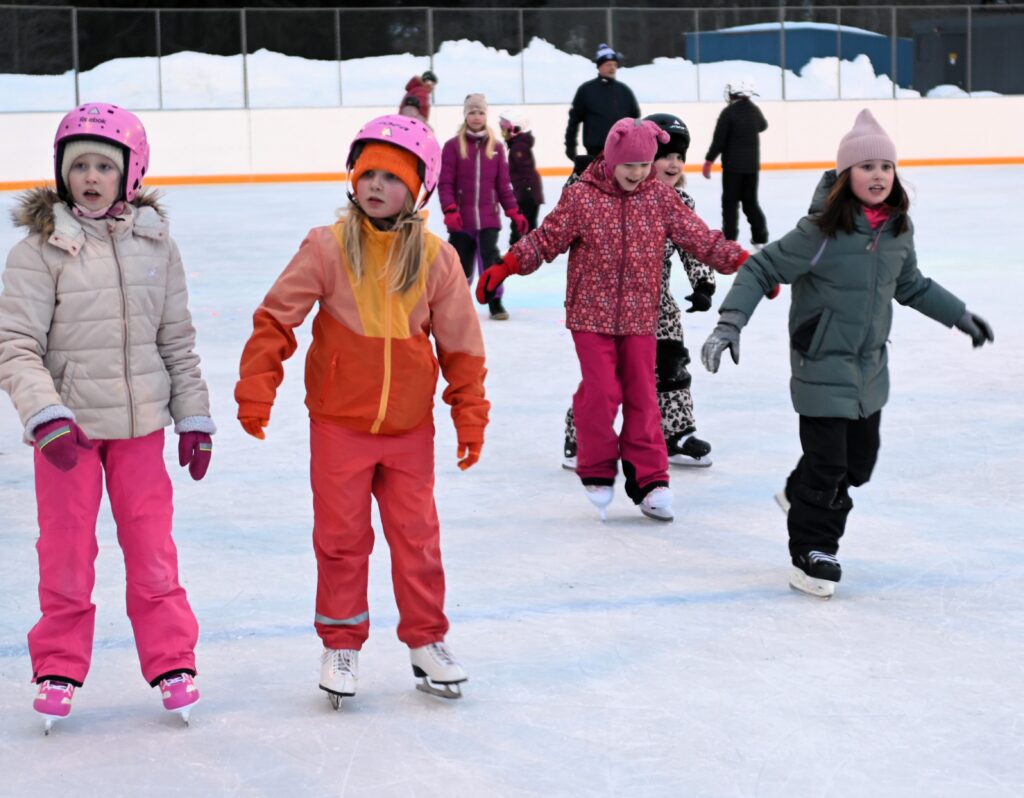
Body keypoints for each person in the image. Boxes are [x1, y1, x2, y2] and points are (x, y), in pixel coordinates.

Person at [235, 114, 489, 706]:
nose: (375, 185)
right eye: (367, 173)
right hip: (339, 426)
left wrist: (469, 414)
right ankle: (341, 642)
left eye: (392, 177)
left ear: (419, 188)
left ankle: (427, 640)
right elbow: (276, 318)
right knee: (342, 539)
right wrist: (257, 387)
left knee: (417, 537)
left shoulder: (435, 258)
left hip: (408, 430)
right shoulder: (326, 247)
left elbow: (461, 346)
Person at [701, 108, 994, 599]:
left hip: (869, 373)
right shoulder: (818, 233)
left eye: (885, 166)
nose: (878, 175)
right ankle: (814, 552)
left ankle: (798, 494)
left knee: (859, 465)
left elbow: (912, 285)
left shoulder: (898, 230)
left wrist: (958, 315)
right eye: (866, 167)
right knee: (829, 469)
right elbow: (758, 270)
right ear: (845, 176)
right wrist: (730, 324)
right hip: (820, 367)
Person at [0, 102, 214, 731]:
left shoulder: (156, 244)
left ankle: (172, 659)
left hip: (142, 428)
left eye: (104, 166)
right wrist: (45, 415)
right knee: (65, 552)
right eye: (79, 166)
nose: (90, 177)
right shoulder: (39, 250)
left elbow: (176, 338)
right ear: (62, 174)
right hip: (67, 434)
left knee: (153, 552)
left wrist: (193, 417)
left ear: (131, 173)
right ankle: (58, 666)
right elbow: (16, 345)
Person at [477, 118, 748, 522]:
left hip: (641, 316)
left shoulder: (659, 198)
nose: (638, 173)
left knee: (643, 396)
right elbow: (546, 239)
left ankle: (652, 481)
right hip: (591, 314)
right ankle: (597, 466)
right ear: (611, 157)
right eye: (630, 165)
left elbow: (699, 238)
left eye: (645, 165)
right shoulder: (582, 197)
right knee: (603, 390)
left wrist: (743, 263)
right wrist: (507, 265)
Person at [561, 112, 719, 473]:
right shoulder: (612, 199)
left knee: (672, 367)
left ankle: (676, 431)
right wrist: (578, 176)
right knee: (608, 379)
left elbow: (694, 244)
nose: (673, 164)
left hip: (658, 306)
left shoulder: (680, 202)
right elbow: (569, 218)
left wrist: (703, 282)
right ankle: (580, 435)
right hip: (611, 306)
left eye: (680, 157)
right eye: (665, 156)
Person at [439, 93, 528, 321]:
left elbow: (503, 186)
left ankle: (495, 301)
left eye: (480, 112)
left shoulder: (496, 147)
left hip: (489, 218)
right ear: (465, 115)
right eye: (472, 112)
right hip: (462, 220)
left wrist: (514, 211)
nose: (476, 117)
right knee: (460, 265)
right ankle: (454, 303)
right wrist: (450, 209)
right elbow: (445, 183)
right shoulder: (452, 147)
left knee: (490, 262)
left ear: (485, 115)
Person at [702, 79, 770, 250]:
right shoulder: (754, 110)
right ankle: (760, 238)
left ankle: (730, 240)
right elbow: (763, 126)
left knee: (730, 203)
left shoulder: (729, 112)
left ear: (734, 93)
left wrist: (709, 161)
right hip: (752, 168)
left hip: (733, 168)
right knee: (751, 203)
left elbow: (719, 141)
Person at [564, 43, 641, 176]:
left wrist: (638, 142)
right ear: (599, 66)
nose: (612, 68)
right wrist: (570, 145)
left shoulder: (624, 91)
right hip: (596, 150)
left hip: (622, 150)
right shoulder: (586, 90)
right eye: (608, 64)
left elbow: (636, 120)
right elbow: (574, 120)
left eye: (614, 65)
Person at [499, 111, 545, 246]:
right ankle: (522, 255)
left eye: (504, 129)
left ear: (516, 129)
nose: (502, 133)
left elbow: (525, 172)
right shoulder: (517, 145)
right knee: (525, 228)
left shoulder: (518, 148)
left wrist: (522, 195)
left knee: (521, 227)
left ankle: (517, 257)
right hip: (528, 194)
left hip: (526, 195)